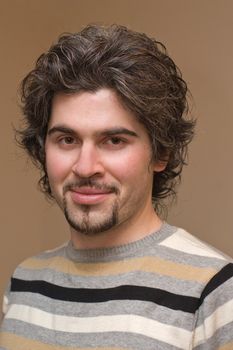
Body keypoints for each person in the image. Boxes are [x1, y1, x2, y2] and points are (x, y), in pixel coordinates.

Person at [0, 24, 233, 350]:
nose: (85, 167)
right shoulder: (23, 284)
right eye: (67, 140)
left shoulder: (215, 292)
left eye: (114, 140)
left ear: (161, 152)